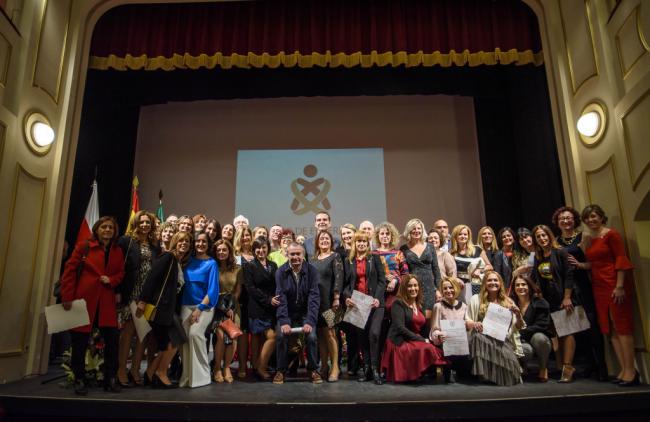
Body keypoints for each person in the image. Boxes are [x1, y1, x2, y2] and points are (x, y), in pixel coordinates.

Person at [60, 216, 125, 395]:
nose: (107, 230)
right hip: (84, 301)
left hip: (106, 303)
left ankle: (110, 379)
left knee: (112, 340)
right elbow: (70, 271)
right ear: (97, 229)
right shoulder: (84, 246)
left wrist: (111, 280)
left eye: (111, 227)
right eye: (104, 227)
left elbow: (121, 273)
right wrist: (67, 297)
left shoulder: (117, 250)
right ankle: (79, 379)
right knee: (79, 342)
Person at [580, 204, 638, 386]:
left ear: (601, 217)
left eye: (594, 216)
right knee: (609, 328)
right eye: (588, 218)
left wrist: (619, 285)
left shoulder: (611, 235)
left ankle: (631, 370)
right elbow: (592, 263)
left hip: (614, 284)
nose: (591, 220)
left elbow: (621, 259)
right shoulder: (590, 239)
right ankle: (623, 369)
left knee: (621, 325)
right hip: (598, 287)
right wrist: (581, 257)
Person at [552, 205, 607, 381]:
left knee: (592, 326)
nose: (566, 221)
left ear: (574, 220)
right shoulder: (556, 242)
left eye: (568, 218)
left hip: (582, 286)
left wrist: (580, 265)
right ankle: (586, 366)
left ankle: (602, 368)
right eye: (562, 219)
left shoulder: (583, 237)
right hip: (566, 290)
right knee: (573, 330)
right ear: (557, 223)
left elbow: (594, 263)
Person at [136, 231, 191, 389]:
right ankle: (161, 373)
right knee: (176, 340)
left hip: (169, 308)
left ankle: (150, 373)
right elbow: (152, 277)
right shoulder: (168, 257)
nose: (184, 243)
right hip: (160, 308)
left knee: (167, 343)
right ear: (174, 241)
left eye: (187, 241)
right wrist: (143, 300)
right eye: (180, 241)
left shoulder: (178, 261)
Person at [116, 210, 161, 387]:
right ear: (136, 223)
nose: (144, 225)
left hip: (147, 295)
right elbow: (119, 267)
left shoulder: (154, 246)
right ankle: (121, 370)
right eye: (141, 222)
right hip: (131, 293)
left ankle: (135, 370)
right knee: (127, 334)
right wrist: (118, 291)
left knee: (142, 334)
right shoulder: (126, 242)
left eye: (148, 223)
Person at [531, 224, 577, 382]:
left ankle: (568, 366)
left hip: (563, 297)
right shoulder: (539, 257)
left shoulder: (560, 252)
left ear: (549, 235)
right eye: (538, 237)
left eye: (544, 235)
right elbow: (537, 279)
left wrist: (567, 297)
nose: (542, 239)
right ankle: (559, 366)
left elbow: (569, 275)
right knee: (556, 333)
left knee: (567, 331)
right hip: (548, 300)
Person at [381, 275, 447, 383]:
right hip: (399, 341)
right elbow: (400, 328)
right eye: (410, 286)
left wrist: (432, 338)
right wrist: (421, 340)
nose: (413, 288)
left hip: (413, 338)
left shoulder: (419, 304)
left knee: (433, 347)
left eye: (415, 285)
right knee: (425, 348)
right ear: (404, 288)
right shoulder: (398, 303)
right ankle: (412, 374)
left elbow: (424, 327)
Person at [274, 243, 323, 384]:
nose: (295, 257)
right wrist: (284, 321)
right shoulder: (280, 272)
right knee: (281, 336)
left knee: (312, 337)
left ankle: (313, 370)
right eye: (292, 254)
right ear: (287, 255)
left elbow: (314, 298)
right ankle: (280, 371)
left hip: (305, 313)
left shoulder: (312, 271)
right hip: (287, 313)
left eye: (298, 254)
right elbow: (280, 298)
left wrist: (309, 321)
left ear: (303, 255)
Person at [343, 231, 387, 384]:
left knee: (374, 334)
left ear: (368, 244)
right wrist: (347, 297)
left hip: (375, 304)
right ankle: (367, 369)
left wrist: (377, 298)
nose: (361, 244)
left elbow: (382, 281)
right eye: (358, 241)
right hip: (358, 303)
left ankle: (376, 369)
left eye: (364, 242)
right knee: (361, 337)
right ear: (354, 244)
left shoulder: (374, 258)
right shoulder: (349, 260)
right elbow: (346, 285)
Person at [466, 270, 524, 386]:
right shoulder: (476, 299)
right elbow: (467, 322)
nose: (493, 283)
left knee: (512, 374)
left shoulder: (508, 301)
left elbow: (517, 327)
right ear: (484, 284)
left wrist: (518, 315)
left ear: (500, 283)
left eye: (495, 280)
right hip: (482, 338)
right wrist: (475, 324)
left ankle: (498, 376)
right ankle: (486, 375)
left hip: (502, 339)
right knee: (478, 337)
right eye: (489, 280)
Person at [179, 232, 219, 388]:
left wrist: (199, 309)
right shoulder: (187, 261)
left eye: (203, 242)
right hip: (185, 305)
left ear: (208, 244)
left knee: (195, 334)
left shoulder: (211, 263)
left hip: (205, 307)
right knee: (185, 340)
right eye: (197, 241)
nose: (200, 244)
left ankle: (202, 375)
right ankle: (187, 376)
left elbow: (213, 290)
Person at [309, 231, 344, 382]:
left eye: (327, 238)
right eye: (321, 238)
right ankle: (324, 366)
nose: (324, 240)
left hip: (331, 302)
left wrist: (336, 298)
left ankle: (335, 366)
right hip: (316, 302)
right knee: (321, 336)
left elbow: (339, 277)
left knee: (331, 335)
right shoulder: (312, 259)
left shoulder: (335, 256)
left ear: (331, 241)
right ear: (317, 242)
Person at [243, 237, 279, 381]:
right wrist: (268, 300)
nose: (261, 250)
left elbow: (277, 285)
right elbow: (251, 288)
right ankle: (260, 367)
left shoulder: (273, 265)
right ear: (254, 250)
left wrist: (275, 299)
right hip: (257, 307)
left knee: (262, 338)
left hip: (271, 309)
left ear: (268, 248)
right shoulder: (249, 266)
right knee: (270, 337)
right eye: (258, 248)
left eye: (264, 247)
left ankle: (258, 366)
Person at [509, 274, 552, 383]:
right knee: (526, 350)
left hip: (535, 337)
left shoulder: (540, 302)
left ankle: (543, 367)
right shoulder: (510, 303)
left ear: (529, 286)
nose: (520, 287)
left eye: (523, 284)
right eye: (517, 285)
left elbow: (542, 325)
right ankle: (523, 365)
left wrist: (521, 331)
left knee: (540, 339)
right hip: (520, 340)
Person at [212, 239, 243, 384]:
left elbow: (238, 290)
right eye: (218, 250)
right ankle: (217, 368)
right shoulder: (212, 267)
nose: (221, 252)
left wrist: (230, 307)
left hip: (232, 307)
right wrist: (222, 307)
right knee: (220, 336)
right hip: (216, 307)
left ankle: (227, 367)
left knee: (233, 337)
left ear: (229, 251)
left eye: (224, 250)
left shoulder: (237, 268)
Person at [430, 276, 469, 383]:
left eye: (451, 287)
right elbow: (434, 329)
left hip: (461, 343)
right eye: (445, 288)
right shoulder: (438, 306)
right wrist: (439, 335)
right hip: (446, 343)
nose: (448, 291)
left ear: (456, 288)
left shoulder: (464, 306)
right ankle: (450, 371)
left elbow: (467, 326)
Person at [400, 219, 442, 317]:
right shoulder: (403, 249)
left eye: (419, 228)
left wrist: (438, 289)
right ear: (409, 231)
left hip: (430, 288)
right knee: (415, 317)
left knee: (430, 317)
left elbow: (436, 270)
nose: (417, 230)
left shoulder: (430, 247)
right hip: (413, 288)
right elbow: (404, 271)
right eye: (413, 228)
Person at [450, 224, 493, 302]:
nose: (463, 236)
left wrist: (480, 270)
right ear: (455, 236)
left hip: (478, 284)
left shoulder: (477, 249)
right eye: (460, 234)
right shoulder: (451, 253)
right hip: (462, 287)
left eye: (465, 234)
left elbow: (489, 266)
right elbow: (452, 273)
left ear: (468, 236)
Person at [234, 226, 254, 376]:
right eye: (243, 236)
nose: (246, 238)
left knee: (255, 334)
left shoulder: (257, 254)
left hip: (255, 300)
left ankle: (255, 364)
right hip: (240, 299)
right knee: (242, 333)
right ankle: (242, 366)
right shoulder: (235, 256)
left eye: (248, 235)